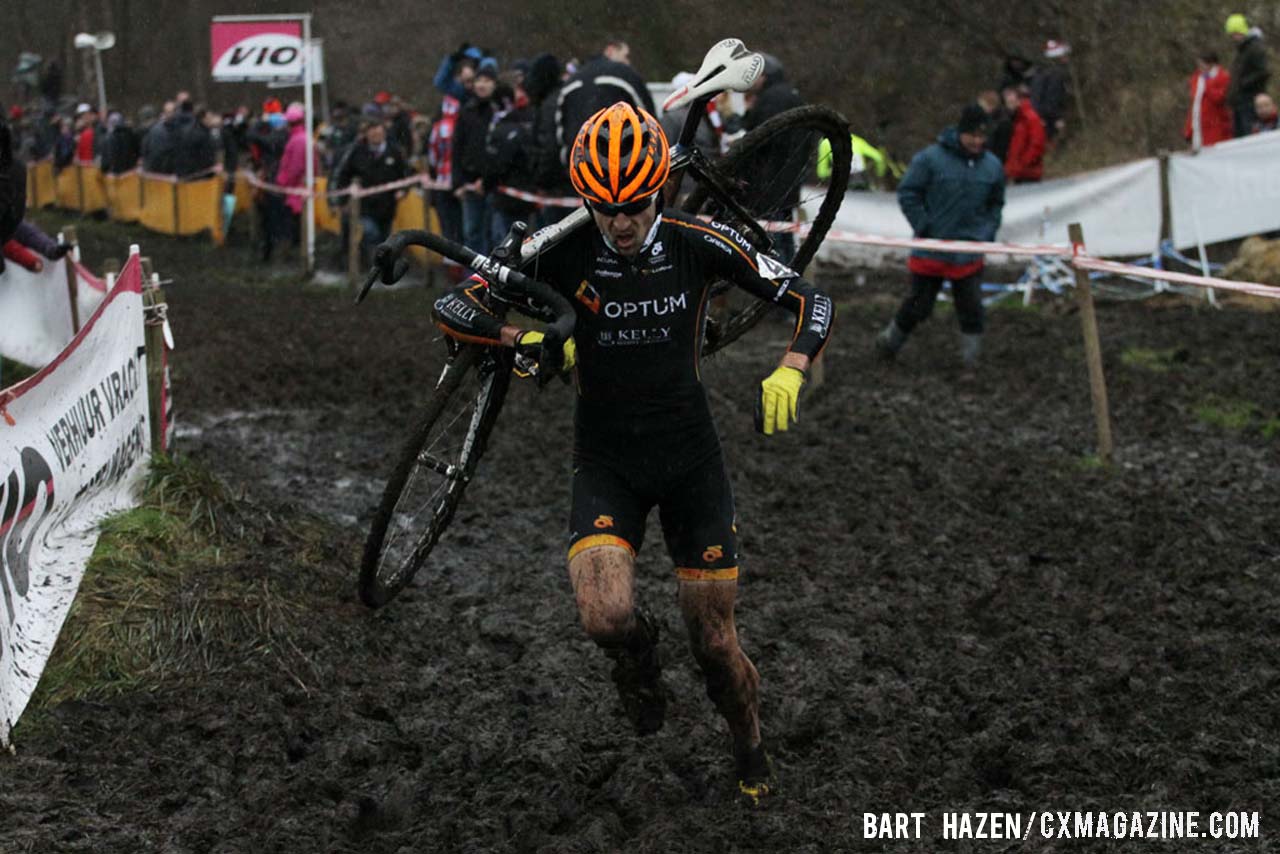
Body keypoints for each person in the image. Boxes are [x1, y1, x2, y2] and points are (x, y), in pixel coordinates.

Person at [429, 103, 834, 803]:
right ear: (586, 197)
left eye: (637, 205)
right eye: (606, 207)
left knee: (712, 644)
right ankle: (637, 664)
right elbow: (455, 306)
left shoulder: (697, 239)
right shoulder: (561, 244)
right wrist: (515, 341)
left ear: (661, 191)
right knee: (605, 617)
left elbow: (810, 298)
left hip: (689, 461)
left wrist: (794, 363)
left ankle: (750, 746)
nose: (621, 222)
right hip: (607, 458)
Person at [875, 104, 1005, 368]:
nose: (978, 141)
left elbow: (996, 204)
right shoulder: (930, 159)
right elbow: (908, 193)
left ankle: (972, 361)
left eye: (983, 137)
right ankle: (889, 342)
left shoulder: (992, 166)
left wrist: (987, 232)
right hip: (931, 251)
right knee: (919, 306)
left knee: (972, 308)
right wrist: (924, 226)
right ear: (960, 132)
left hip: (968, 252)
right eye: (973, 136)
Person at [333, 119, 411, 266]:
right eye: (372, 131)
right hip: (365, 205)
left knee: (384, 237)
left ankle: (377, 267)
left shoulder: (395, 152)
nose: (376, 134)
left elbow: (406, 176)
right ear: (367, 134)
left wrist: (403, 190)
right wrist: (342, 200)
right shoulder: (357, 152)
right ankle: (366, 260)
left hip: (387, 205)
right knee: (370, 232)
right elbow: (344, 175)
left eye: (379, 131)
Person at [451, 66, 499, 255]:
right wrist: (457, 182)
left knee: (495, 234)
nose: (482, 85)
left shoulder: (500, 111)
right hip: (469, 181)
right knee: (472, 231)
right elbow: (457, 148)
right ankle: (474, 276)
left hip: (495, 182)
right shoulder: (466, 111)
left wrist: (489, 177)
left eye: (487, 81)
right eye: (479, 80)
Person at [274, 102, 315, 256]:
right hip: (298, 188)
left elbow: (295, 167)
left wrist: (284, 183)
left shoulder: (297, 140)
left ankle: (296, 251)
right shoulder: (303, 138)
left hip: (295, 191)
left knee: (293, 225)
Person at [1226, 14, 1270, 138]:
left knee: (1249, 134)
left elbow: (1263, 72)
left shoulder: (1255, 48)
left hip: (1250, 100)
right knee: (1239, 135)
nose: (1233, 38)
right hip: (1240, 101)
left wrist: (1243, 84)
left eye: (1235, 34)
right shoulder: (1242, 51)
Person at [1184, 51, 1233, 150]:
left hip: (1217, 125)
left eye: (1203, 65)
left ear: (1212, 64)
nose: (1200, 68)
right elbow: (1195, 106)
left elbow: (1219, 98)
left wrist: (1208, 84)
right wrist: (1189, 130)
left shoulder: (1222, 77)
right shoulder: (1197, 79)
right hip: (1199, 126)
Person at [1029, 40, 1070, 144]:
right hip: (1047, 118)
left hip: (1047, 116)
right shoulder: (1051, 75)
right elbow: (1049, 99)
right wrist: (1056, 117)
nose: (1067, 58)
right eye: (1064, 55)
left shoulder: (1050, 73)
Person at [1001, 85, 1045, 182]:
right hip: (1019, 172)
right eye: (1007, 102)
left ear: (1019, 99)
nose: (1009, 105)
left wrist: (1023, 163)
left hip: (1029, 172)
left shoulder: (1029, 117)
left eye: (1011, 101)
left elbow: (1037, 144)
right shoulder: (1015, 119)